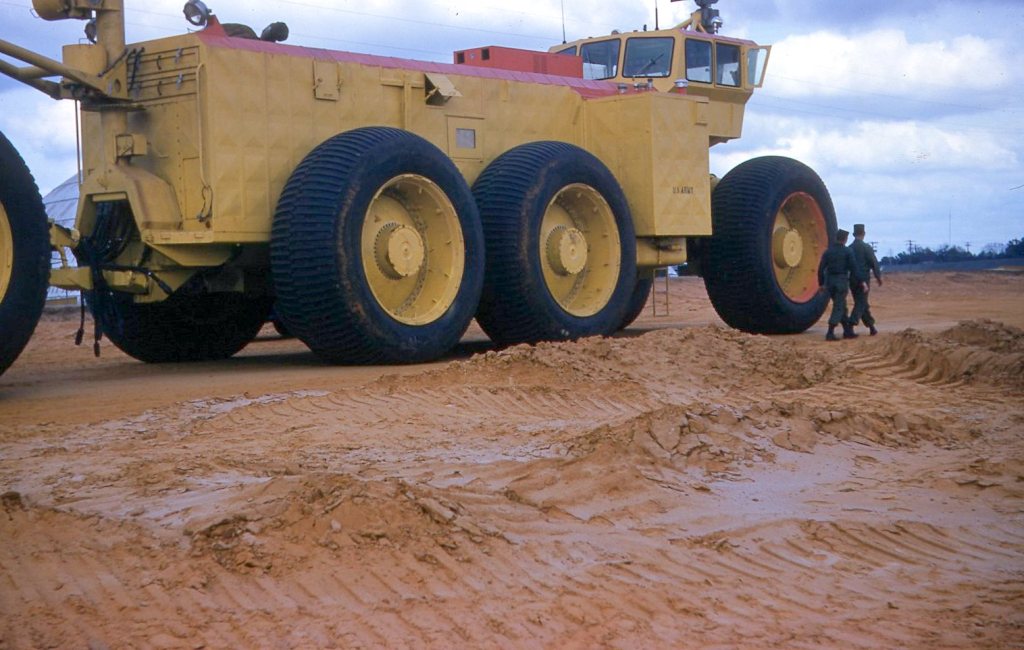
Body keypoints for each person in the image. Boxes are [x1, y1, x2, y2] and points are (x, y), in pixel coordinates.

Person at [817, 229, 864, 341]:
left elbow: (820, 269)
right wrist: (862, 281)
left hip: (829, 282)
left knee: (842, 306)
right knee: (838, 306)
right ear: (845, 239)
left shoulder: (828, 252)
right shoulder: (847, 251)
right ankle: (830, 332)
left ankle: (847, 331)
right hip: (841, 281)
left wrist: (821, 284)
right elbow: (854, 268)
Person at [848, 223, 882, 335]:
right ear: (864, 233)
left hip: (852, 280)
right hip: (864, 279)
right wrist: (878, 277)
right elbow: (874, 263)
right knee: (861, 303)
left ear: (853, 234)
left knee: (862, 303)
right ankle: (851, 324)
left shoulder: (849, 248)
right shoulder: (866, 248)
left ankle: (871, 327)